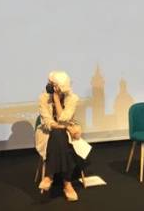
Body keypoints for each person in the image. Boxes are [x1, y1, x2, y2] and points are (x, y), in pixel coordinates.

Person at [36, 71, 90, 202]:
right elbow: (48, 121)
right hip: (48, 132)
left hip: (67, 132)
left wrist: (56, 99)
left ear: (59, 86)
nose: (48, 85)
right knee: (58, 134)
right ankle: (67, 183)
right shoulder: (43, 98)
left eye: (51, 84)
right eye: (49, 83)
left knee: (61, 136)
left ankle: (49, 176)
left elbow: (64, 118)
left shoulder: (73, 98)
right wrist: (62, 127)